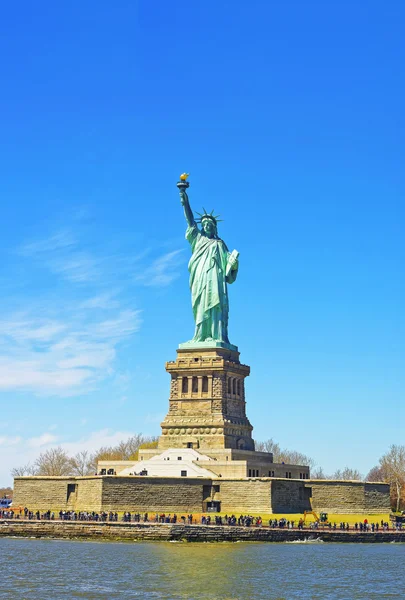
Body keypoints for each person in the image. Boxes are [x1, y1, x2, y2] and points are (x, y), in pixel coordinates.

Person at [179, 187, 238, 345]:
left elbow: (228, 269)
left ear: (214, 227)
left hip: (215, 280)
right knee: (200, 305)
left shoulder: (220, 244)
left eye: (209, 225)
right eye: (204, 224)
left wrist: (233, 263)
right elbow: (190, 220)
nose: (206, 226)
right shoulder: (197, 239)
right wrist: (184, 198)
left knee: (216, 306)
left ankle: (216, 335)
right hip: (200, 278)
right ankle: (200, 335)